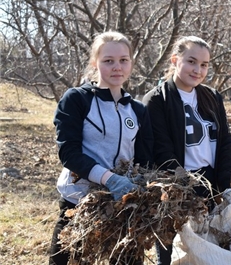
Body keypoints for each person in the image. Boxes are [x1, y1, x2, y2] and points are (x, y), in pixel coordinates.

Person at [49, 31, 153, 265]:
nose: (117, 67)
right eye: (108, 61)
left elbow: (145, 158)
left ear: (131, 63)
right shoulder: (76, 99)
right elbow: (69, 153)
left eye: (123, 60)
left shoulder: (137, 110)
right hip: (79, 202)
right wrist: (110, 179)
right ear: (95, 63)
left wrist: (140, 185)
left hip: (124, 203)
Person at [142, 35, 231, 265]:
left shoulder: (212, 97)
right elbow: (162, 151)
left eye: (204, 65)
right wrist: (186, 189)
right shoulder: (157, 99)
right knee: (172, 255)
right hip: (175, 187)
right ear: (175, 60)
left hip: (211, 183)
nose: (198, 70)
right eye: (191, 62)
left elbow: (225, 142)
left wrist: (225, 186)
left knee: (208, 253)